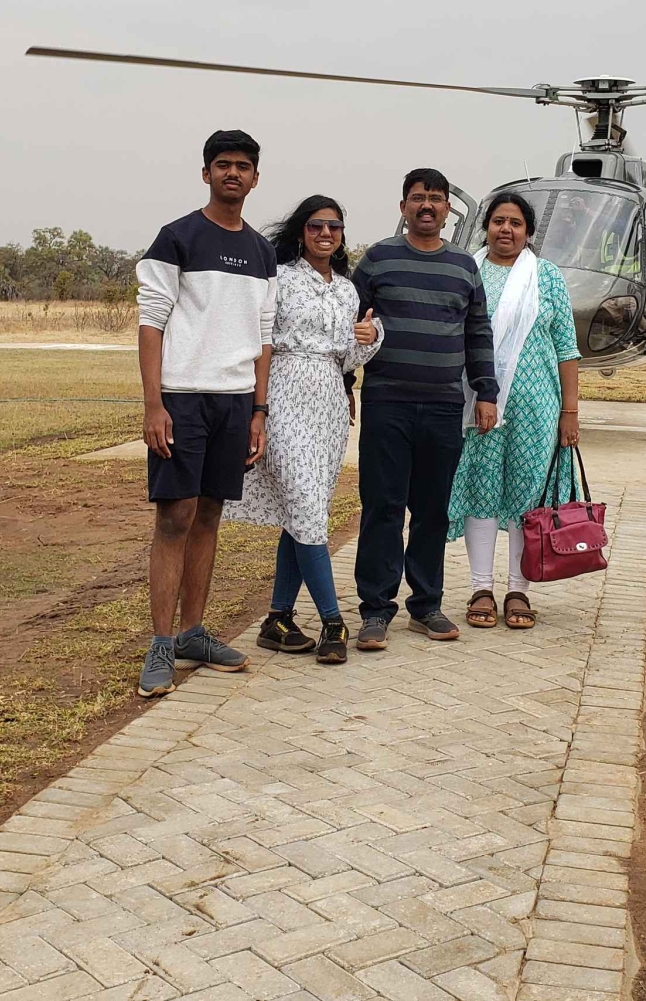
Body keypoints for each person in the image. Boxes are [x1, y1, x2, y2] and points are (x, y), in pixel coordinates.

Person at [134, 129, 276, 698]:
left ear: (255, 178)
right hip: (182, 397)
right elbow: (152, 322)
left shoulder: (262, 251)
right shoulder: (177, 238)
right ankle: (161, 644)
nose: (232, 173)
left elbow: (264, 336)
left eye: (242, 165)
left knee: (210, 514)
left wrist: (258, 410)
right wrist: (154, 403)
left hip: (235, 401)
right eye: (222, 164)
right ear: (206, 173)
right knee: (175, 517)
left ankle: (193, 633)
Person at [225, 196, 381, 664]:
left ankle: (277, 619)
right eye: (316, 226)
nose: (325, 233)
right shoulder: (280, 279)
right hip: (284, 395)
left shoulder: (348, 291)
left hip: (329, 401)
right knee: (307, 509)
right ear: (301, 232)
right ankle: (333, 621)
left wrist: (371, 339)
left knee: (303, 512)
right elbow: (261, 343)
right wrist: (258, 408)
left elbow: (347, 359)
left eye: (334, 226)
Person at [349, 168, 498, 649]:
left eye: (435, 198)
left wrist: (487, 391)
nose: (427, 206)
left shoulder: (463, 266)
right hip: (386, 403)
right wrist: (345, 383)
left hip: (443, 406)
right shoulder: (377, 260)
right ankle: (375, 610)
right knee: (383, 506)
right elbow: (350, 325)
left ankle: (427, 605)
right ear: (403, 207)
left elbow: (477, 332)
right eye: (417, 198)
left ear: (448, 210)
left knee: (432, 510)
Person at [446, 192, 580, 630]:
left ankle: (518, 589)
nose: (506, 229)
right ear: (486, 227)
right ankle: (481, 588)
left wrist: (570, 411)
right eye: (498, 221)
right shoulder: (467, 270)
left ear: (529, 232)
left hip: (536, 405)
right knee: (482, 487)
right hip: (478, 403)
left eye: (516, 223)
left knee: (527, 493)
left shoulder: (546, 276)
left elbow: (566, 348)